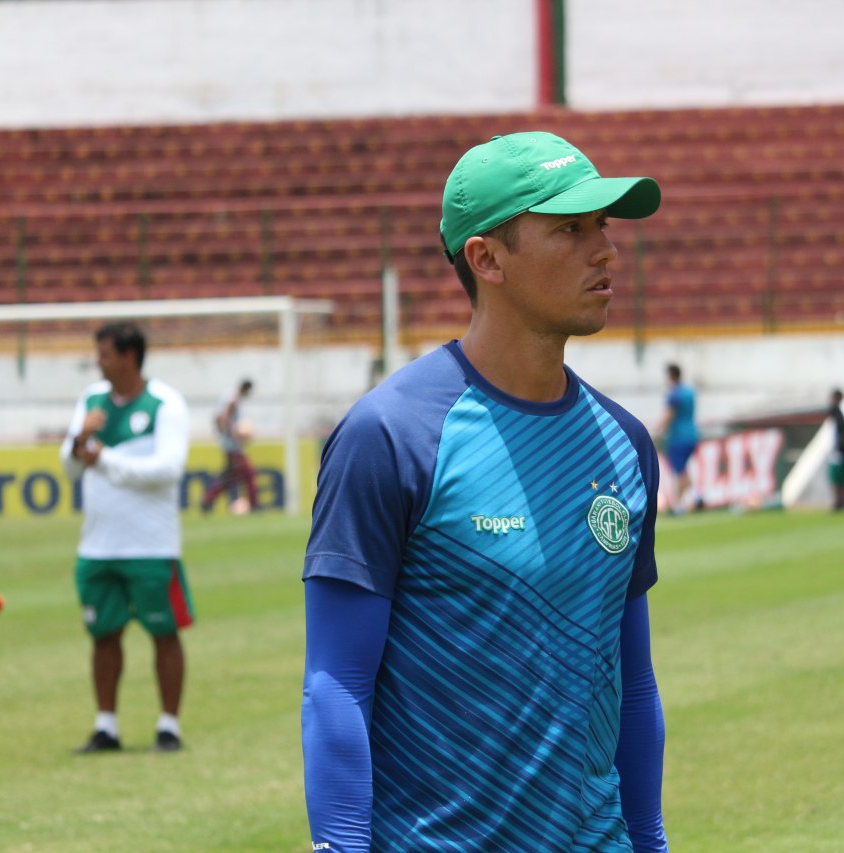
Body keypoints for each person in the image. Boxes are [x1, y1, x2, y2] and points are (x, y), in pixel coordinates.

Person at [301, 132, 669, 849]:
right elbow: (336, 684)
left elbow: (633, 683)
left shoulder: (625, 442)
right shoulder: (392, 434)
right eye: (569, 229)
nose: (605, 250)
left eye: (603, 226)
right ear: (487, 258)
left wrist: (650, 841)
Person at [61, 322, 194, 754]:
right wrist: (81, 440)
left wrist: (106, 458)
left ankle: (168, 725)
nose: (97, 362)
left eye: (104, 354)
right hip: (98, 544)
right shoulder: (91, 401)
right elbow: (71, 467)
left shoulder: (165, 404)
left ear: (129, 357)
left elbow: (168, 469)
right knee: (103, 634)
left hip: (151, 545)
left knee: (164, 632)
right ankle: (106, 726)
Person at [200, 378, 259, 513]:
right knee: (248, 474)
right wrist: (235, 434)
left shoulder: (228, 396)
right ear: (246, 389)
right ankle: (255, 506)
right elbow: (224, 418)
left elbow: (217, 418)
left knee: (229, 477)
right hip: (233, 446)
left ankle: (207, 501)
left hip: (229, 445)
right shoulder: (234, 399)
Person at [656, 363, 699, 514]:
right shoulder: (689, 392)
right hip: (692, 435)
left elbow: (669, 414)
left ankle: (679, 506)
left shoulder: (675, 394)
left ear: (670, 375)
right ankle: (693, 496)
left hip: (678, 437)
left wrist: (656, 431)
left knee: (679, 471)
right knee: (683, 471)